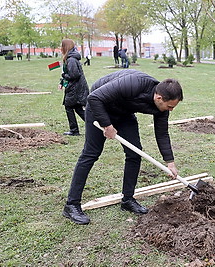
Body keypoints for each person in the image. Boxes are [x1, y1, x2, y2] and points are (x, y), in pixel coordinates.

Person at [62, 69, 183, 225]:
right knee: (91, 153)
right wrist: (107, 125)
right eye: (170, 106)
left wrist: (170, 162)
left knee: (134, 153)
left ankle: (127, 200)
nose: (171, 110)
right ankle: (71, 205)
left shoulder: (162, 108)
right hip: (99, 106)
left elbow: (162, 134)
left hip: (124, 113)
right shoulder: (134, 83)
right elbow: (94, 98)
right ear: (159, 97)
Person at [58, 39, 89, 136]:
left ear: (65, 47)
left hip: (75, 89)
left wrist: (64, 76)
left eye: (61, 46)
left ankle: (74, 130)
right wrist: (62, 82)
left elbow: (74, 75)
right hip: (76, 88)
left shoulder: (71, 59)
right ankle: (94, 126)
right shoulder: (71, 58)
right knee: (78, 108)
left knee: (69, 107)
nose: (60, 48)